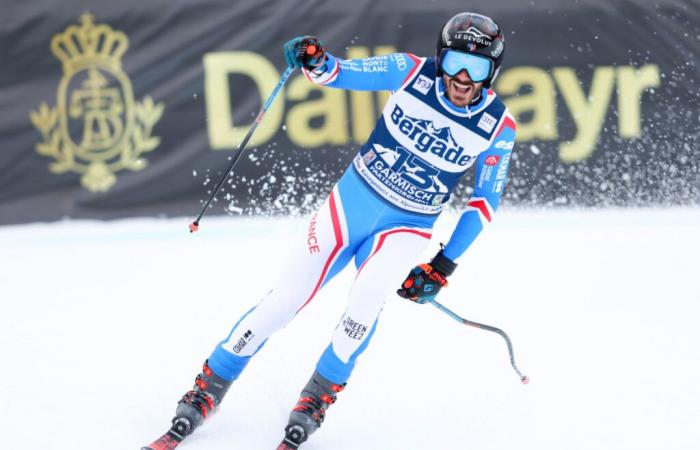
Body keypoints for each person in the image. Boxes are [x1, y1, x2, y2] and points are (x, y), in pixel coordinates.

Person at [142, 11, 517, 450]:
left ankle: (317, 396)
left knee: (364, 302)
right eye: (454, 63)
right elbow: (338, 73)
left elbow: (483, 202)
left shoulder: (498, 126)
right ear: (440, 57)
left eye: (476, 69)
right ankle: (209, 387)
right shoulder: (411, 71)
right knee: (285, 300)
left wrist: (442, 265)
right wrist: (314, 58)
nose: (461, 79)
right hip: (349, 205)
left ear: (493, 72)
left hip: (407, 227)